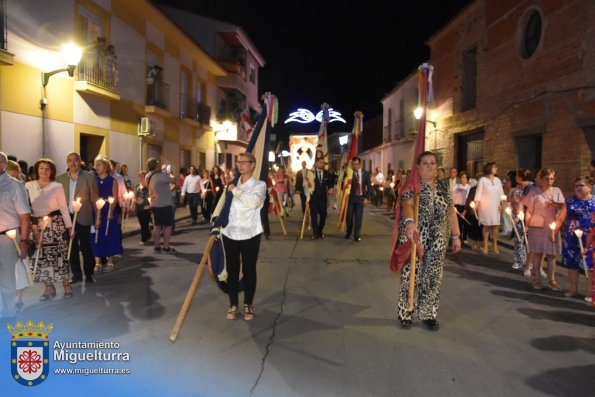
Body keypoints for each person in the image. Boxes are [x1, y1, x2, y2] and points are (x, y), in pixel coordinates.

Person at [397, 151, 461, 330]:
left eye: (432, 163)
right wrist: (410, 222)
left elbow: (451, 212)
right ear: (417, 167)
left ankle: (428, 313)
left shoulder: (442, 186)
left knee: (433, 277)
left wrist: (456, 236)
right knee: (411, 276)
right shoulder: (411, 185)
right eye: (425, 163)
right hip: (416, 238)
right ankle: (406, 311)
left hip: (439, 240)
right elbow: (407, 205)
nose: (429, 166)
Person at [222, 152, 266, 321]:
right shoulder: (231, 184)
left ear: (253, 165)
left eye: (244, 162)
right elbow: (223, 207)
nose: (240, 165)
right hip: (230, 232)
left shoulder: (259, 185)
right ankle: (233, 304)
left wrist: (235, 191)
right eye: (238, 162)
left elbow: (253, 203)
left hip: (250, 233)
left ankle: (248, 304)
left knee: (249, 270)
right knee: (232, 270)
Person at [25, 158, 73, 300]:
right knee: (41, 257)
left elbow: (63, 208)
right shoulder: (28, 186)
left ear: (51, 171)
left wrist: (69, 226)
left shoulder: (56, 186)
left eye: (47, 168)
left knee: (59, 256)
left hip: (55, 224)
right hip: (37, 226)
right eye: (41, 168)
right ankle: (49, 288)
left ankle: (66, 286)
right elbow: (27, 208)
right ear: (37, 170)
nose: (44, 171)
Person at [56, 152, 99, 284]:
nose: (73, 163)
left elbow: (94, 199)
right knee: (71, 248)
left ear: (80, 161)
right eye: (70, 160)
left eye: (76, 160)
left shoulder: (89, 177)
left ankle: (89, 273)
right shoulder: (60, 179)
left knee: (86, 247)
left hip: (84, 217)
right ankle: (76, 274)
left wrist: (98, 217)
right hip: (67, 218)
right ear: (67, 162)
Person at [0, 152, 31, 319]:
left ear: (3, 164)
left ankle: (8, 311)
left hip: (7, 238)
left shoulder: (14, 186)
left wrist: (24, 241)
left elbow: (24, 216)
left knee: (6, 276)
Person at [525, 168, 565, 290]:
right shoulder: (534, 192)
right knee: (537, 253)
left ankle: (551, 279)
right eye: (547, 178)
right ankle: (537, 278)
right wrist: (527, 225)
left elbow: (563, 207)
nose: (549, 181)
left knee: (551, 255)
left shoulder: (557, 191)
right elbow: (529, 211)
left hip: (551, 227)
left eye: (552, 178)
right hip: (537, 227)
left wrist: (555, 205)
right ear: (541, 179)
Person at [560, 176, 595, 301]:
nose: (578, 188)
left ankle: (589, 292)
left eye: (581, 185)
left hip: (590, 239)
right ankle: (573, 289)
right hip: (571, 238)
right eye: (576, 186)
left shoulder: (594, 202)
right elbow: (561, 217)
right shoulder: (570, 201)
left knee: (589, 266)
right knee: (572, 264)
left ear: (590, 187)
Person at [91, 155, 122, 271]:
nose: (97, 167)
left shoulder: (112, 180)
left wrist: (111, 211)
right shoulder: (94, 180)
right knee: (97, 235)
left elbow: (114, 197)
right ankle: (97, 261)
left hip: (108, 209)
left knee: (109, 235)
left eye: (99, 165)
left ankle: (110, 259)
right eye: (96, 165)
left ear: (105, 167)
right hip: (97, 209)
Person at [473, 162, 505, 254]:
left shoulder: (498, 180)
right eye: (495, 167)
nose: (496, 168)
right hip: (485, 206)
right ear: (489, 168)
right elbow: (478, 193)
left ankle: (494, 245)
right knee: (486, 225)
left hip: (496, 206)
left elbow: (501, 193)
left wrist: (502, 204)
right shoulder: (482, 180)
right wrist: (476, 204)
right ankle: (485, 245)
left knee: (496, 226)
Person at [146, 158, 175, 253]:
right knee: (168, 226)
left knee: (157, 226)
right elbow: (173, 180)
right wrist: (167, 172)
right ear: (156, 166)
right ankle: (166, 247)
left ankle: (157, 247)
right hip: (165, 204)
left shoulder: (147, 176)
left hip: (154, 204)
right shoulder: (160, 176)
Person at [345, 157, 372, 242]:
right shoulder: (350, 173)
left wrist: (366, 198)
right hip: (351, 198)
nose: (355, 166)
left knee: (358, 217)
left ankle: (357, 234)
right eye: (353, 164)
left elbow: (370, 187)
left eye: (356, 164)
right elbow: (345, 183)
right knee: (349, 217)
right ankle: (348, 232)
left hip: (360, 198)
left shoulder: (366, 174)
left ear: (360, 164)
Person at [309, 156, 335, 239]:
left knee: (323, 216)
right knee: (314, 216)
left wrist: (331, 189)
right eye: (320, 162)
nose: (322, 164)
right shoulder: (311, 173)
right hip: (313, 199)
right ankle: (315, 233)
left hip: (323, 199)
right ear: (316, 163)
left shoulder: (327, 173)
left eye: (323, 163)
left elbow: (330, 184)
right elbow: (306, 184)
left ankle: (320, 230)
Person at [452, 171, 471, 246]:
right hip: (458, 206)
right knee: (458, 222)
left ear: (467, 179)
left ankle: (465, 238)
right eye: (461, 177)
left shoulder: (469, 188)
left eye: (464, 177)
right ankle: (459, 237)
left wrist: (466, 209)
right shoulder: (456, 187)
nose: (462, 179)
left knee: (466, 223)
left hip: (466, 206)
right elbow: (452, 197)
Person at [134, 170, 152, 245]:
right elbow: (134, 196)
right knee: (142, 223)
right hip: (139, 208)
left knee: (145, 223)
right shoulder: (137, 186)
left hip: (146, 207)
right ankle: (148, 234)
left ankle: (143, 239)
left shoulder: (148, 186)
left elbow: (151, 195)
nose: (140, 178)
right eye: (139, 176)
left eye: (142, 177)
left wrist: (149, 204)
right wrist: (134, 203)